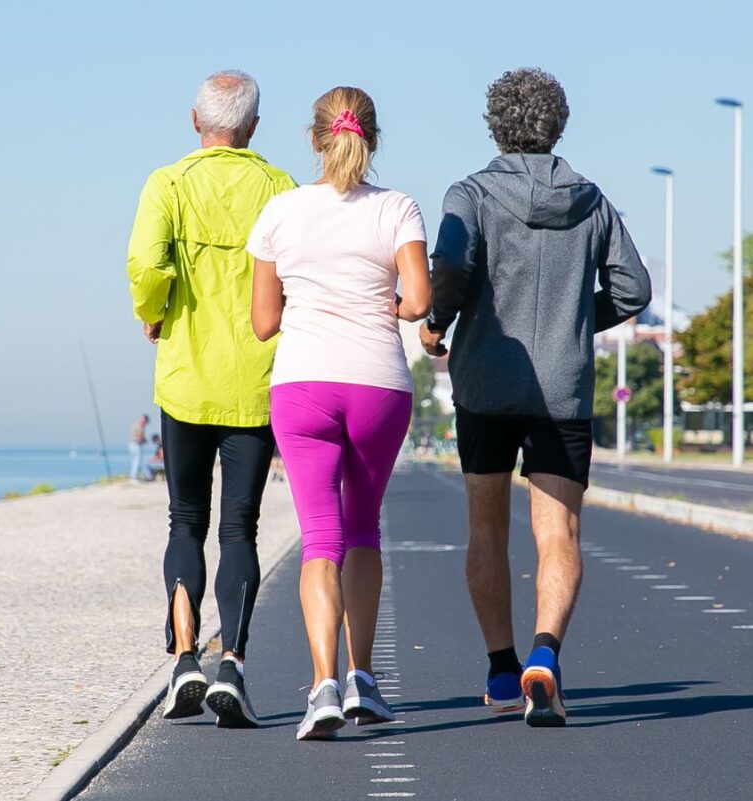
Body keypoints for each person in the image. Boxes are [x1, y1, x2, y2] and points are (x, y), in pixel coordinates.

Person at [420, 68, 652, 727]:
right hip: (563, 388)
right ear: (559, 125)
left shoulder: (470, 194)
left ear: (494, 124)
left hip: (486, 385)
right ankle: (545, 655)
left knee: (487, 525)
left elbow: (454, 266)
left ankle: (501, 667)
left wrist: (437, 323)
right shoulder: (592, 200)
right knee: (560, 531)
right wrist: (580, 320)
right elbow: (634, 290)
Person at [248, 86, 432, 740]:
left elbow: (264, 322)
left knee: (319, 535)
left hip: (302, 386)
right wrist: (395, 308)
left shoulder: (279, 211)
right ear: (371, 139)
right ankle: (363, 679)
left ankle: (322, 685)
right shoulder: (397, 208)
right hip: (379, 387)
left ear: (314, 138)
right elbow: (418, 299)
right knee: (363, 529)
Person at [127, 70, 296, 727]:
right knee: (239, 528)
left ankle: (184, 661)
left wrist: (156, 309)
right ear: (252, 126)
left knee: (185, 522)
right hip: (256, 385)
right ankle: (234, 667)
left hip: (186, 382)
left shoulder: (167, 183)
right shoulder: (279, 188)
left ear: (194, 120)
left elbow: (146, 267)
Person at [128, 414, 149, 482]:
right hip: (136, 445)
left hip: (132, 444)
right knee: (137, 461)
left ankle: (134, 476)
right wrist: (145, 440)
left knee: (134, 461)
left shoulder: (135, 425)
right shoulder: (140, 426)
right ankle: (134, 477)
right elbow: (140, 437)